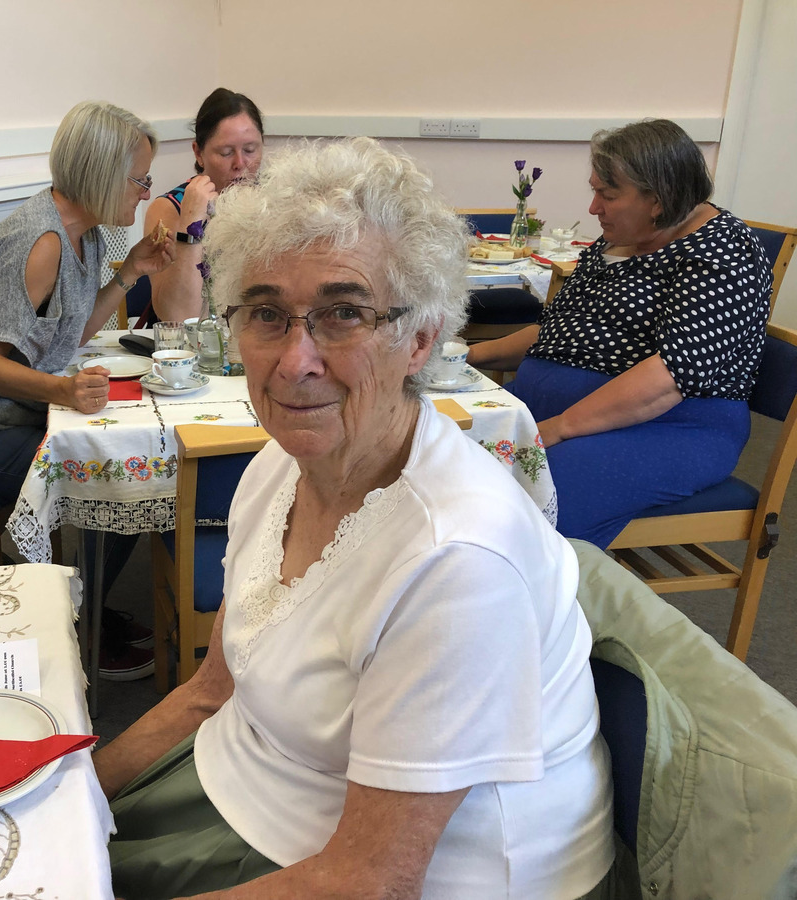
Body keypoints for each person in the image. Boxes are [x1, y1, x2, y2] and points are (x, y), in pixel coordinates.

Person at [96, 138, 615, 899]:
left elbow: (372, 880)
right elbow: (214, 689)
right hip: (259, 780)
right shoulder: (279, 468)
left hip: (396, 870)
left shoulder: (458, 559)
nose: (296, 360)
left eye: (344, 314)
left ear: (421, 339)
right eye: (267, 314)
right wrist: (69, 788)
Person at [0, 100, 173, 679]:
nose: (143, 192)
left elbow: (70, 332)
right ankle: (80, 624)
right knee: (117, 477)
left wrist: (131, 271)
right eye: (139, 179)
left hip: (15, 413)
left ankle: (86, 607)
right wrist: (62, 389)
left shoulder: (88, 236)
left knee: (123, 464)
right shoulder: (40, 242)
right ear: (102, 175)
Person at [468, 118, 772, 548]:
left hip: (672, 426)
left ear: (659, 199)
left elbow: (671, 376)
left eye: (607, 195)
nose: (594, 208)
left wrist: (558, 427)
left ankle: (525, 603)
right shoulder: (615, 241)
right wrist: (468, 357)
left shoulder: (722, 249)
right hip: (564, 412)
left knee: (521, 500)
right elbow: (554, 331)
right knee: (444, 449)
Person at [137, 88, 263, 323]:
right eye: (226, 152)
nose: (240, 163)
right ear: (199, 153)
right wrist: (191, 223)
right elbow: (179, 316)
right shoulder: (169, 208)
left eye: (250, 150)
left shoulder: (274, 202)